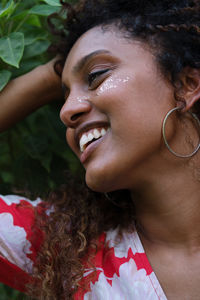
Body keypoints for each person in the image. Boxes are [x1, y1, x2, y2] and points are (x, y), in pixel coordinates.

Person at [0, 0, 200, 298]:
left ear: (186, 84)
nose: (66, 112)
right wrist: (48, 76)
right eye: (63, 95)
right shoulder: (63, 250)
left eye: (96, 76)